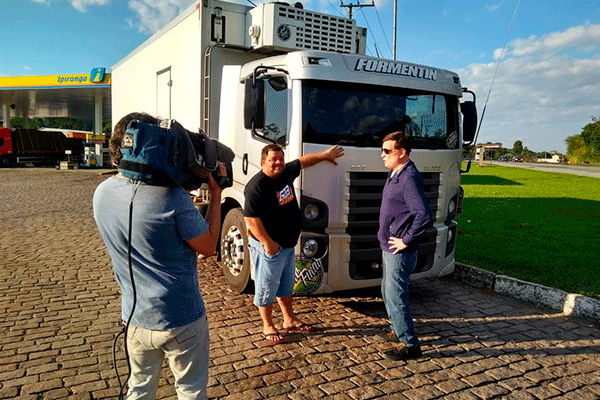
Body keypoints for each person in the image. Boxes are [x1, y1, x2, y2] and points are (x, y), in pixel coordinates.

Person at [93, 112, 222, 399]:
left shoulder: (101, 193)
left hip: (135, 318)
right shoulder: (171, 197)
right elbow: (209, 245)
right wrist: (216, 194)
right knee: (190, 391)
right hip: (181, 318)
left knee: (139, 389)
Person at [244, 143, 344, 344]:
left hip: (288, 245)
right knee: (266, 287)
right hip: (270, 248)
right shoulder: (257, 186)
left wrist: (324, 155)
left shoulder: (285, 173)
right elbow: (251, 219)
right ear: (263, 162)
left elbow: (302, 162)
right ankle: (267, 325)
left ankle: (288, 320)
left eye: (280, 159)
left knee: (287, 285)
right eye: (273, 160)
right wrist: (268, 244)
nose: (278, 163)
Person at [376, 131, 432, 361]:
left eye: (387, 151)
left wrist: (406, 240)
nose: (382, 155)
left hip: (399, 250)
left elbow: (423, 214)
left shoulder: (409, 177)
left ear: (402, 153)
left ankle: (410, 344)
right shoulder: (396, 172)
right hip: (388, 247)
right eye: (382, 150)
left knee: (397, 296)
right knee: (387, 292)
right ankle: (396, 329)